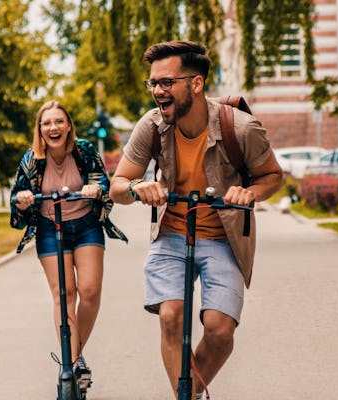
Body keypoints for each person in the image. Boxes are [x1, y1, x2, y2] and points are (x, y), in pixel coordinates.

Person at [110, 41, 283, 398]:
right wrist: (140, 185)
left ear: (196, 84)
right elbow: (118, 186)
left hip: (223, 237)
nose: (158, 91)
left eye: (166, 82)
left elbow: (272, 177)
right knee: (171, 316)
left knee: (220, 332)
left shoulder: (241, 128)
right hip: (172, 234)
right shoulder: (152, 126)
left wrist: (249, 193)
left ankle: (189, 392)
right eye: (153, 83)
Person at [10, 100, 127, 387]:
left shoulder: (84, 150)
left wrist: (94, 188)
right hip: (51, 228)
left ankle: (74, 355)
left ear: (69, 126)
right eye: (47, 122)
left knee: (89, 291)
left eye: (59, 121)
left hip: (86, 226)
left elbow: (104, 185)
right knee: (64, 294)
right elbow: (16, 207)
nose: (53, 127)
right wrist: (24, 202)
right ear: (40, 129)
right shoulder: (31, 161)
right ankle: (72, 365)